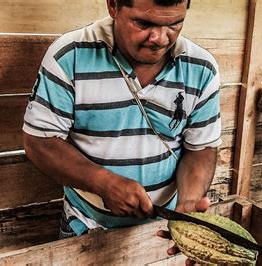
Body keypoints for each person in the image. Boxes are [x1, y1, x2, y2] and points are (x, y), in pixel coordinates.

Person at [22, 0, 221, 245]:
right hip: (86, 226)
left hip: (162, 231)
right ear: (113, 6)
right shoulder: (69, 56)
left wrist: (188, 205)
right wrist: (103, 183)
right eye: (144, 23)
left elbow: (201, 148)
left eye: (175, 24)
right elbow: (39, 141)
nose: (159, 38)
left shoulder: (201, 68)